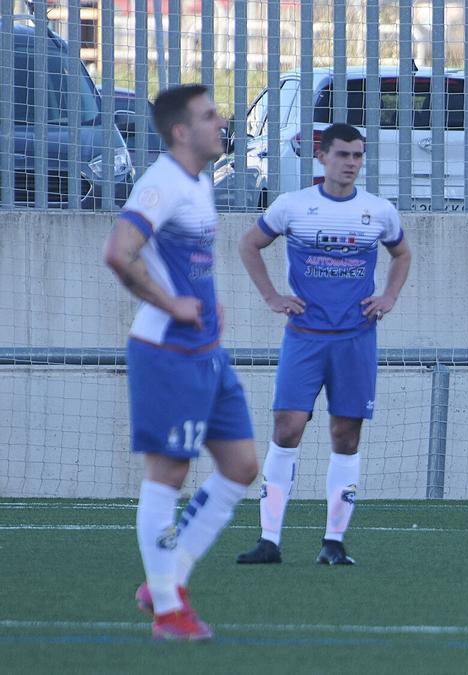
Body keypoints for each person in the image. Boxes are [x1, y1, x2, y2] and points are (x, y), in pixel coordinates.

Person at [103, 84, 258, 640]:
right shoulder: (162, 182)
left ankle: (164, 582)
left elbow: (184, 259)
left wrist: (204, 296)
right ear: (180, 132)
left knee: (241, 465)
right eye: (209, 115)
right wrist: (172, 303)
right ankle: (168, 611)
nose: (221, 122)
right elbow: (118, 251)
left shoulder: (197, 181)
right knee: (167, 475)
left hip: (205, 351)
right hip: (166, 351)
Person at [235, 123, 412, 565]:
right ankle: (269, 540)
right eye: (343, 155)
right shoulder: (293, 206)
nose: (351, 164)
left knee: (345, 434)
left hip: (356, 339)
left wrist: (389, 296)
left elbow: (402, 253)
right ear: (322, 157)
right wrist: (272, 297)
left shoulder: (379, 211)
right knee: (287, 428)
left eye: (357, 156)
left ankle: (334, 542)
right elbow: (249, 244)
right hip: (305, 337)